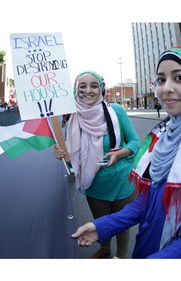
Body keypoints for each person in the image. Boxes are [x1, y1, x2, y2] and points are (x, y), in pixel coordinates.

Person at [71, 46, 181, 258]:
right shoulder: (162, 135)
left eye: (179, 77)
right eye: (160, 79)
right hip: (144, 248)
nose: (166, 88)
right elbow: (146, 203)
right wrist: (102, 227)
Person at [54, 71, 140, 258]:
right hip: (93, 183)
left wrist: (119, 153)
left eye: (94, 85)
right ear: (76, 90)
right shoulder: (73, 120)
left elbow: (135, 142)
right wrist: (61, 154)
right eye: (82, 86)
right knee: (100, 221)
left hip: (121, 180)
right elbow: (71, 161)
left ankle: (122, 255)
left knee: (120, 222)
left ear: (101, 88)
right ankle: (105, 248)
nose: (88, 90)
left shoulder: (116, 111)